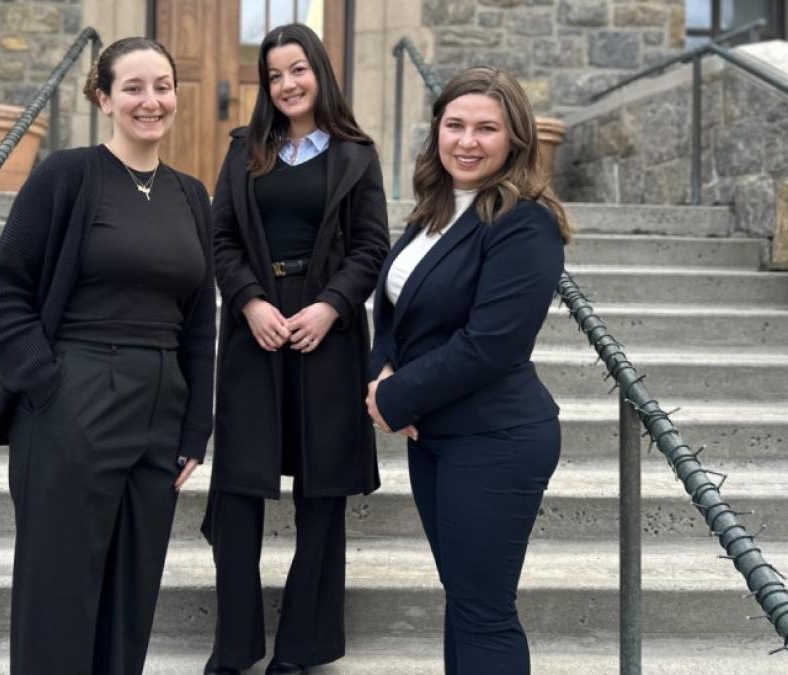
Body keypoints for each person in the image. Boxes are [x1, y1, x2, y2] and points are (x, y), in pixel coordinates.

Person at [0, 37, 215, 674]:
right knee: (58, 594)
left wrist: (196, 425)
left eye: (162, 86)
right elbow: (4, 293)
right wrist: (48, 390)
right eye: (133, 88)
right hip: (74, 396)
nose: (151, 100)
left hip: (161, 407)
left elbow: (199, 320)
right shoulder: (67, 175)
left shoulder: (192, 195)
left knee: (130, 596)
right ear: (104, 98)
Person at [365, 66, 573, 675]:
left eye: (487, 128)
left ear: (516, 140)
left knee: (484, 613)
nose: (467, 141)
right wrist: (381, 373)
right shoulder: (435, 210)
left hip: (497, 438)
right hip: (438, 436)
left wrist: (396, 397)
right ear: (436, 134)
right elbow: (394, 312)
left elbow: (492, 344)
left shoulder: (525, 222)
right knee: (464, 603)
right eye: (454, 125)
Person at [201, 22, 390, 675]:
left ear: (319, 72)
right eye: (274, 74)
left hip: (326, 339)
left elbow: (371, 247)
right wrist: (250, 300)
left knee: (322, 497)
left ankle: (300, 649)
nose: (286, 84)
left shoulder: (357, 154)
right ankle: (235, 647)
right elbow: (220, 237)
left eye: (297, 70)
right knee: (236, 492)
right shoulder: (243, 150)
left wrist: (331, 305)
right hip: (254, 335)